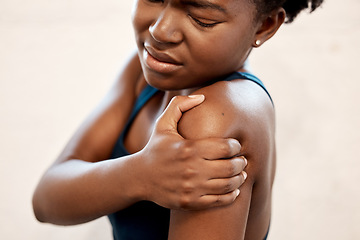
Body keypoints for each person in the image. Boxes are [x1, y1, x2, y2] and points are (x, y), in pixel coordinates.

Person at [32, 0, 324, 239]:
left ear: (264, 25)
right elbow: (46, 199)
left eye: (201, 18)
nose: (160, 31)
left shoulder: (216, 115)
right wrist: (139, 174)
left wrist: (135, 176)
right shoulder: (144, 73)